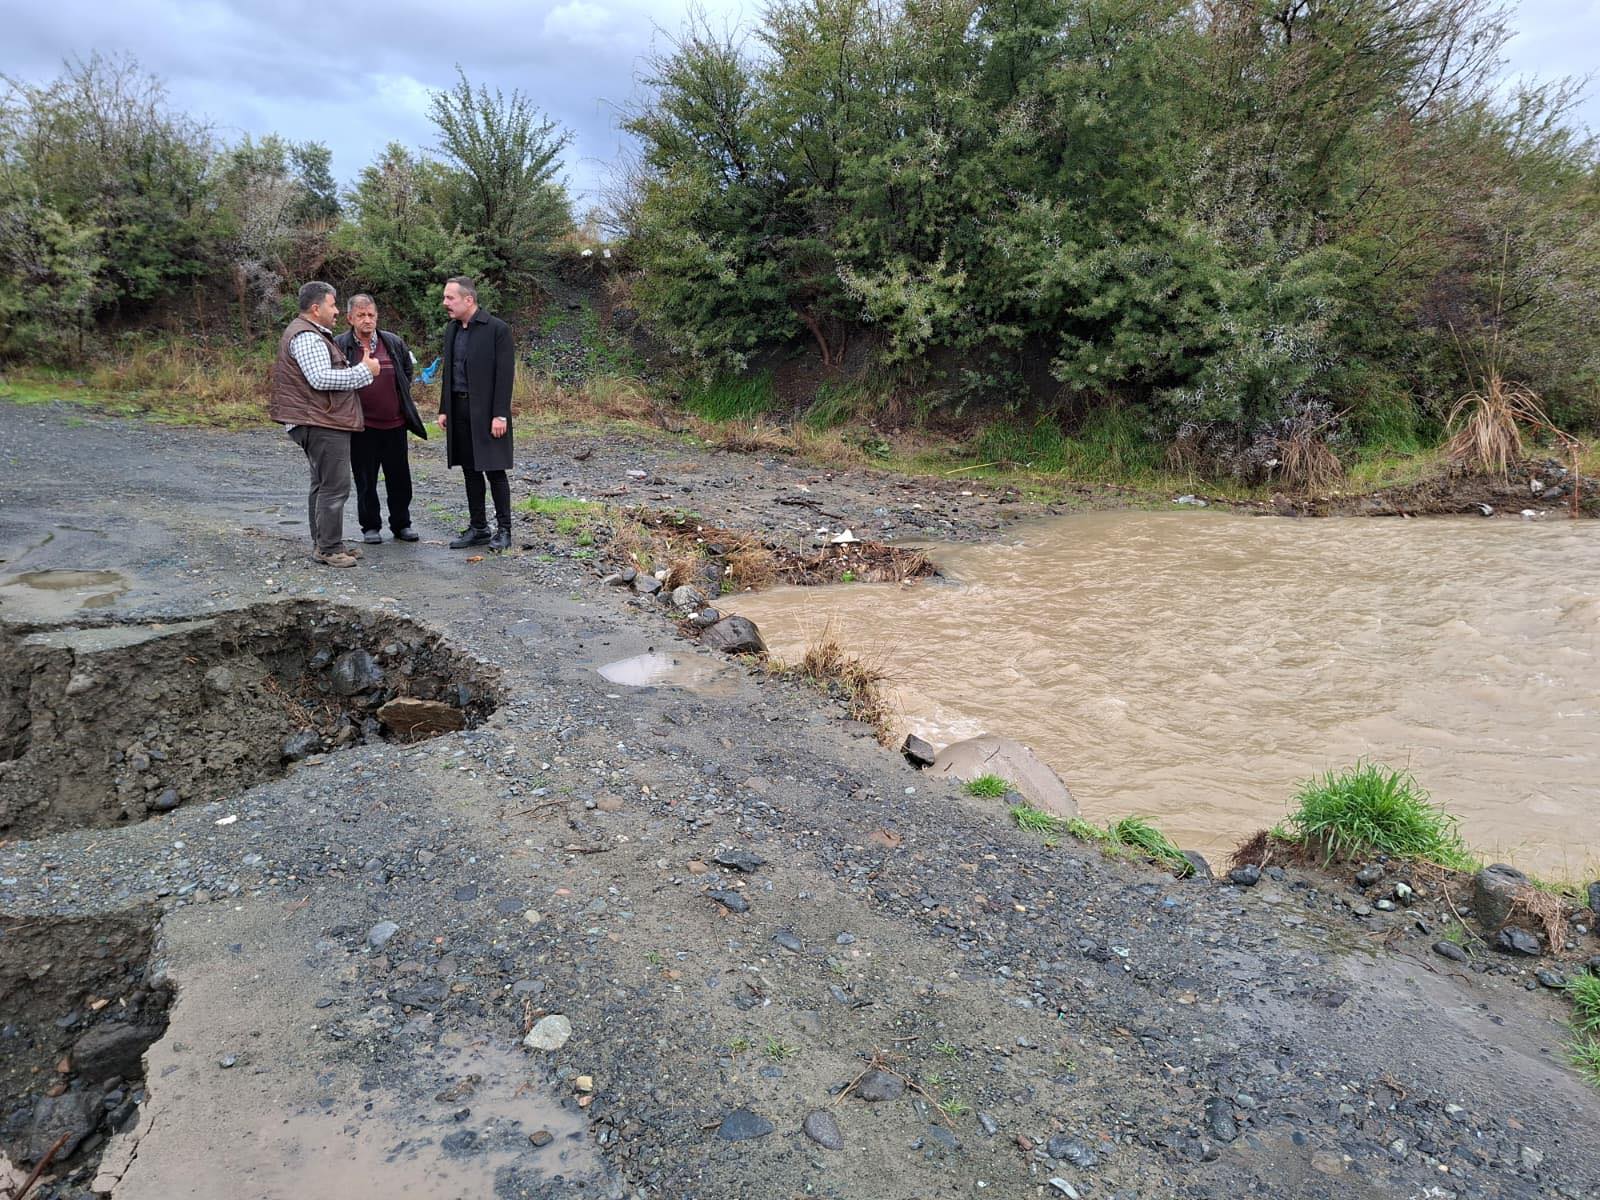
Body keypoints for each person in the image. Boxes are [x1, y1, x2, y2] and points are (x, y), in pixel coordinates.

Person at [269, 281, 378, 568]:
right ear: (316, 308)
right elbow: (320, 378)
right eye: (332, 305)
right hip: (320, 421)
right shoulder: (307, 336)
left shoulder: (310, 333)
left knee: (322, 484)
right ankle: (329, 549)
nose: (337, 310)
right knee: (335, 486)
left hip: (316, 419)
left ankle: (326, 543)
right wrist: (364, 372)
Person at [334, 295, 427, 544]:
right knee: (366, 480)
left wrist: (401, 395)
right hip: (362, 426)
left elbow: (407, 369)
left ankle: (402, 524)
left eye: (371, 315)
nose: (367, 320)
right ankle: (370, 527)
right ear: (350, 318)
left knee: (400, 478)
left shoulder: (392, 341)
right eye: (361, 315)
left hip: (395, 424)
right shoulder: (340, 344)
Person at [437, 276, 515, 551]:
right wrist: (444, 408)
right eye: (446, 298)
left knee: (494, 470)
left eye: (450, 298)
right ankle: (479, 527)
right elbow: (450, 371)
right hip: (458, 407)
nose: (445, 303)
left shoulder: (497, 329)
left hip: (488, 411)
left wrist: (500, 414)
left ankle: (504, 530)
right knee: (470, 470)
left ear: (468, 300)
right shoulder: (452, 329)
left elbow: (505, 376)